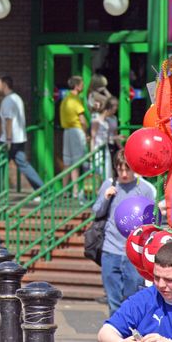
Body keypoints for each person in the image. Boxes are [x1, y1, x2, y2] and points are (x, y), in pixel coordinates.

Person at [92, 149, 156, 316]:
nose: (124, 173)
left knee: (131, 296)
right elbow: (97, 212)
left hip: (134, 252)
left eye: (127, 169)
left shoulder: (145, 189)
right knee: (113, 300)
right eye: (120, 169)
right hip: (110, 250)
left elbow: (153, 219)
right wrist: (105, 197)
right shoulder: (110, 184)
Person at [97, 242, 172, 341]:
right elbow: (106, 331)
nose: (161, 285)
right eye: (157, 277)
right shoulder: (146, 297)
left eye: (169, 280)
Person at [0, 76, 44, 196]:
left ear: (5, 85)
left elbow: (9, 121)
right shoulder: (17, 98)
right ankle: (42, 190)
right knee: (23, 165)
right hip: (19, 138)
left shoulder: (8, 101)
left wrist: (8, 140)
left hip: (10, 140)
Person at [60, 75, 88, 202]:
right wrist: (86, 133)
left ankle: (65, 190)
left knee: (67, 162)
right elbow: (82, 120)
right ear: (77, 86)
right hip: (76, 131)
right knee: (76, 162)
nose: (83, 86)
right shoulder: (76, 100)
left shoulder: (65, 99)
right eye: (81, 84)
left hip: (66, 131)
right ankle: (76, 191)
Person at [90, 97, 112, 180]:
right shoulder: (96, 121)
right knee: (98, 172)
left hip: (105, 148)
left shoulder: (106, 122)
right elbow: (93, 138)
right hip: (98, 149)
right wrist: (92, 154)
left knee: (107, 171)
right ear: (106, 110)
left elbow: (107, 136)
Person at [104, 96, 124, 164]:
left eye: (117, 105)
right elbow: (104, 136)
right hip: (106, 145)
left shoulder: (114, 118)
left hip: (113, 145)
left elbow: (115, 133)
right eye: (113, 105)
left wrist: (121, 148)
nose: (115, 107)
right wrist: (117, 137)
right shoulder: (104, 118)